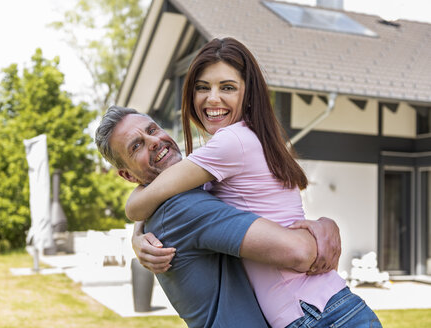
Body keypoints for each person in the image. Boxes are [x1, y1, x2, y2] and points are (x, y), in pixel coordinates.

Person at [125, 37, 382, 328]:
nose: (212, 99)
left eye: (227, 87)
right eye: (202, 87)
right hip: (327, 307)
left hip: (313, 314)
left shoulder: (231, 143)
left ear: (248, 95)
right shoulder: (250, 138)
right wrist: (137, 236)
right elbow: (167, 191)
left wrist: (136, 224)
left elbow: (143, 202)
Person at [95, 105, 342, 328]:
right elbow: (301, 251)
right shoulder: (182, 208)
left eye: (152, 129)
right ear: (128, 176)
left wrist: (136, 232)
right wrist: (325, 229)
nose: (154, 141)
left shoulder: (182, 194)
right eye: (136, 145)